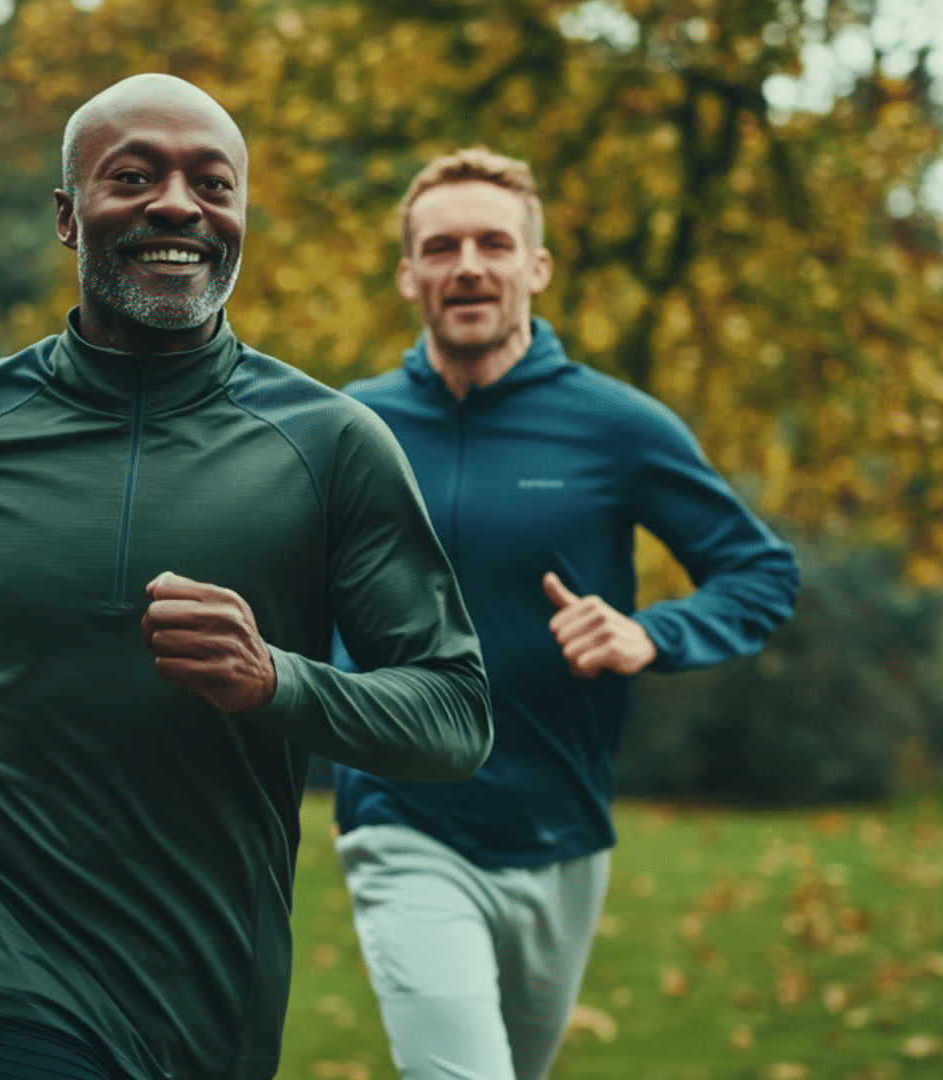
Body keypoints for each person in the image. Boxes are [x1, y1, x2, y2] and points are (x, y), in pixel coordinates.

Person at [0, 74, 492, 1080]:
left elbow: (456, 717)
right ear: (69, 218)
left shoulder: (334, 448)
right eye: (134, 176)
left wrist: (275, 682)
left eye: (213, 183)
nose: (178, 204)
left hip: (214, 1000)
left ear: (239, 221)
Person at [331, 148, 801, 1080]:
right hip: (401, 818)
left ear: (535, 267)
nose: (468, 263)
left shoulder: (614, 426)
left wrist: (651, 633)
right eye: (442, 246)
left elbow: (760, 573)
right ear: (408, 274)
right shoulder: (348, 429)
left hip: (564, 831)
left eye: (494, 242)